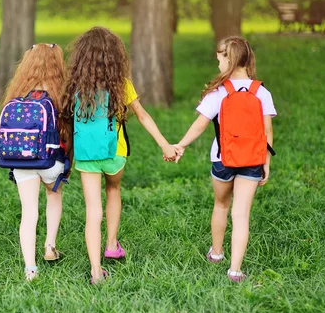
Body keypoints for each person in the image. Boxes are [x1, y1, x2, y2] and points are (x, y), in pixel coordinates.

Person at [60, 27, 177, 284]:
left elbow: (67, 125)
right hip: (116, 153)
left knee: (93, 210)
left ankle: (95, 271)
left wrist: (66, 157)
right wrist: (165, 145)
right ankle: (112, 244)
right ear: (114, 57)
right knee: (113, 191)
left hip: (87, 155)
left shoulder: (75, 86)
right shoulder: (121, 84)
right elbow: (143, 115)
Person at [173, 36, 276, 282]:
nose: (217, 62)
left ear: (229, 59)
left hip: (222, 160)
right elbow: (268, 131)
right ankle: (235, 270)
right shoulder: (261, 92)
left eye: (219, 58)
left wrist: (181, 145)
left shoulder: (219, 93)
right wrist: (266, 162)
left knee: (221, 205)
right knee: (241, 215)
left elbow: (199, 126)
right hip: (252, 160)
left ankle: (217, 253)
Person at [0, 43, 70, 281]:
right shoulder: (60, 90)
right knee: (53, 195)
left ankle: (30, 268)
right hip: (50, 161)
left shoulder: (19, 90)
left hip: (21, 159)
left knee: (28, 212)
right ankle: (50, 246)